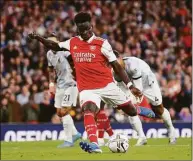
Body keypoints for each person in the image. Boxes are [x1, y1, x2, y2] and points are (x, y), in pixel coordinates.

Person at [28, 12, 155, 153]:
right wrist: (38, 37)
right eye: (83, 30)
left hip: (107, 85)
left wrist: (130, 86)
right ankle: (94, 144)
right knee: (88, 110)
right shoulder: (73, 42)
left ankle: (137, 109)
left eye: (88, 29)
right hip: (87, 89)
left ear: (91, 27)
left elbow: (117, 66)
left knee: (130, 111)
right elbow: (54, 45)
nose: (86, 32)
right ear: (78, 30)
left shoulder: (102, 43)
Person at [113, 50, 176, 144]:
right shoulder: (116, 73)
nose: (116, 66)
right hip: (133, 86)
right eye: (113, 64)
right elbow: (124, 91)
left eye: (116, 63)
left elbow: (139, 91)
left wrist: (134, 105)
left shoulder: (132, 65)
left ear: (121, 58)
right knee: (129, 109)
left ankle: (171, 129)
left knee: (159, 109)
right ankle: (142, 137)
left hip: (148, 83)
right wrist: (123, 104)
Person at [45, 35, 81, 148]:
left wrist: (77, 77)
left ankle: (68, 140)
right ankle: (75, 134)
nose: (51, 44)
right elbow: (51, 70)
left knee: (64, 111)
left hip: (71, 84)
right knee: (59, 112)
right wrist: (51, 84)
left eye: (53, 42)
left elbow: (75, 63)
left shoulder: (65, 52)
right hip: (60, 85)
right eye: (49, 42)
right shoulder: (49, 54)